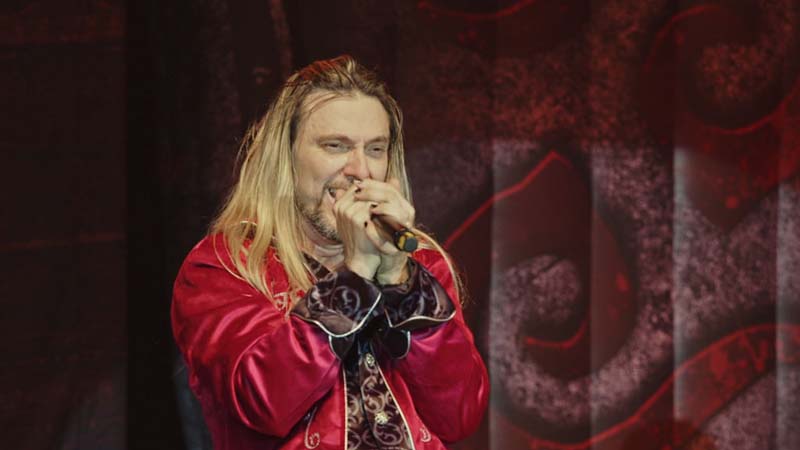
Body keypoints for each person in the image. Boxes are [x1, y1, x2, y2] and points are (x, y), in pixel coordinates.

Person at [171, 55, 489, 449]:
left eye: (376, 149)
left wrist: (401, 283)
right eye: (336, 146)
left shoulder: (419, 264)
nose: (360, 170)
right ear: (286, 157)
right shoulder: (224, 265)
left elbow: (460, 415)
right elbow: (264, 401)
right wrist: (354, 279)